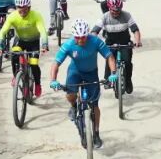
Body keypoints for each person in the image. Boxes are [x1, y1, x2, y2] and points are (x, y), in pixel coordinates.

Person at [48, 19, 118, 149]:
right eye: (77, 37)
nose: (80, 40)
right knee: (70, 94)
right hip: (75, 72)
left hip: (91, 73)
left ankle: (96, 133)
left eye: (83, 37)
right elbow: (56, 63)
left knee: (94, 104)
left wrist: (113, 73)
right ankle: (73, 106)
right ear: (74, 36)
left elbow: (109, 57)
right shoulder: (68, 45)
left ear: (87, 35)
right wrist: (53, 80)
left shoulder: (95, 41)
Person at [0, 0, 50, 96]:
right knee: (14, 55)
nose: (22, 12)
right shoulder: (12, 16)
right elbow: (3, 31)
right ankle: (15, 76)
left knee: (34, 63)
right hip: (20, 40)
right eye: (19, 9)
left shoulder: (36, 15)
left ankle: (37, 84)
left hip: (34, 41)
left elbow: (43, 31)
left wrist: (44, 44)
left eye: (24, 10)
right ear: (17, 8)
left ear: (29, 8)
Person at [92, 0, 142, 93]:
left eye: (118, 10)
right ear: (109, 8)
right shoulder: (104, 17)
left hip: (125, 42)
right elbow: (94, 31)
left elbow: (135, 30)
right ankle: (107, 79)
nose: (116, 13)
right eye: (113, 11)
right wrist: (94, 43)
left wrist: (137, 41)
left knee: (127, 62)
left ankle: (128, 81)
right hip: (110, 43)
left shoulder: (127, 15)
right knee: (109, 59)